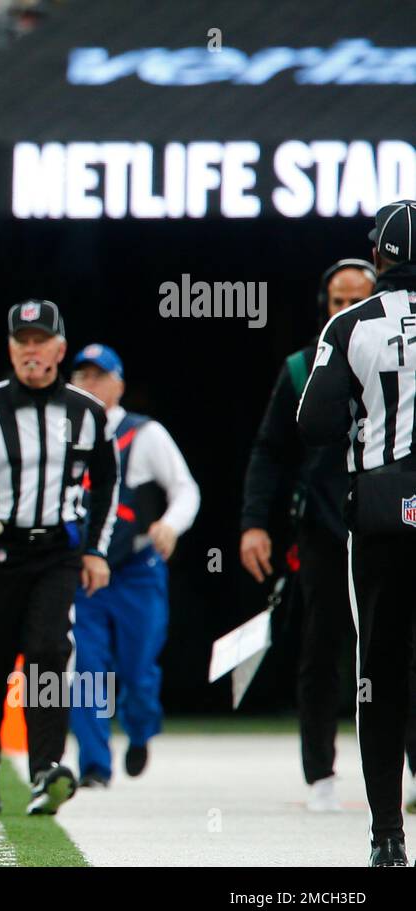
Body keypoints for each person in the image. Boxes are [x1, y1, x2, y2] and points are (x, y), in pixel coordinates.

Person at [0, 299, 119, 816]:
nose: (31, 351)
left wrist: (95, 550)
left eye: (40, 342)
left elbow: (106, 482)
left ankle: (45, 770)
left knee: (49, 652)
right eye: (22, 342)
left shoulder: (85, 411)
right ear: (10, 350)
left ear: (59, 348)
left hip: (56, 549)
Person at [239, 259, 409, 814]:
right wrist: (254, 523)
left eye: (358, 297)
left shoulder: (402, 349)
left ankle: (412, 768)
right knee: (321, 644)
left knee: (398, 646)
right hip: (326, 521)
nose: (347, 308)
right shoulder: (303, 366)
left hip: (388, 518)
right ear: (325, 305)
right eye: (338, 300)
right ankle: (321, 773)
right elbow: (271, 449)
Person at [298, 199, 416, 867]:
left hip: (382, 512)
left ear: (379, 257)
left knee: (380, 674)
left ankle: (387, 837)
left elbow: (313, 422)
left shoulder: (350, 324)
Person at [66, 344, 199, 787]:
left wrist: (170, 524)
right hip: (84, 573)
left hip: (136, 570)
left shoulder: (145, 434)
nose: (89, 385)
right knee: (85, 667)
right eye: (81, 377)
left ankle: (140, 729)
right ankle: (94, 765)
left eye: (98, 377)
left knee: (139, 667)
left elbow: (185, 489)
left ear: (118, 384)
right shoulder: (61, 436)